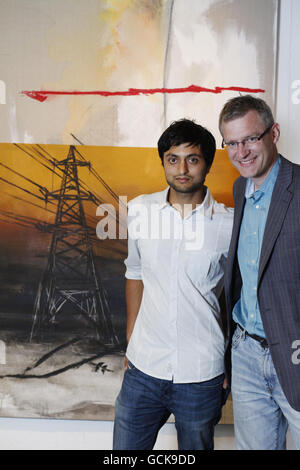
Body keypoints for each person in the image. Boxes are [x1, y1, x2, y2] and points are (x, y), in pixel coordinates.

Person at [113, 119, 233, 450]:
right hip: (143, 369)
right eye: (172, 158)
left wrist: (228, 364)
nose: (182, 169)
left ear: (206, 163)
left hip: (201, 373)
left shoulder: (229, 224)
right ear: (163, 162)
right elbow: (134, 272)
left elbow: (239, 297)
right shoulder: (139, 210)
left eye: (192, 159)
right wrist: (131, 337)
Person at [219, 94, 300, 450]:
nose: (243, 152)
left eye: (251, 138)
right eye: (232, 143)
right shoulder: (240, 188)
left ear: (274, 133)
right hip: (248, 354)